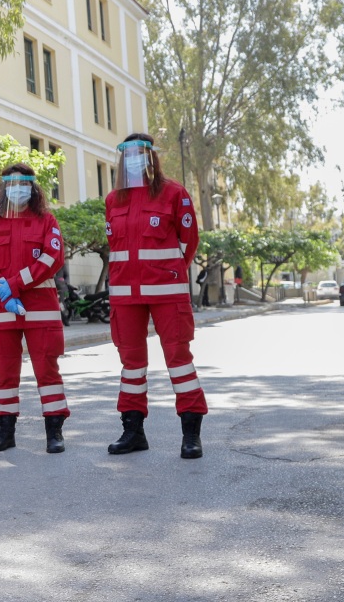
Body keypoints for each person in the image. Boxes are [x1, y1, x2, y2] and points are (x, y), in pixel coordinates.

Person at [104, 133, 206, 459]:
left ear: (152, 158)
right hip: (125, 297)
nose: (135, 160)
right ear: (122, 160)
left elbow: (189, 242)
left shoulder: (174, 193)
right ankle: (132, 431)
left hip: (166, 294)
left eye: (141, 154)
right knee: (131, 366)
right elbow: (117, 249)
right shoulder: (113, 200)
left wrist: (169, 272)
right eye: (129, 155)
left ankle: (191, 433)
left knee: (179, 362)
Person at [0, 164, 70, 453]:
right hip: (2, 309)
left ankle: (54, 431)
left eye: (24, 184)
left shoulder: (46, 221)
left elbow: (52, 259)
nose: (18, 189)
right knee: (4, 372)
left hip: (40, 309)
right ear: (4, 188)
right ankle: (6, 430)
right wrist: (1, 290)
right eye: (12, 184)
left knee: (47, 370)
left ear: (33, 188)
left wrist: (13, 285)